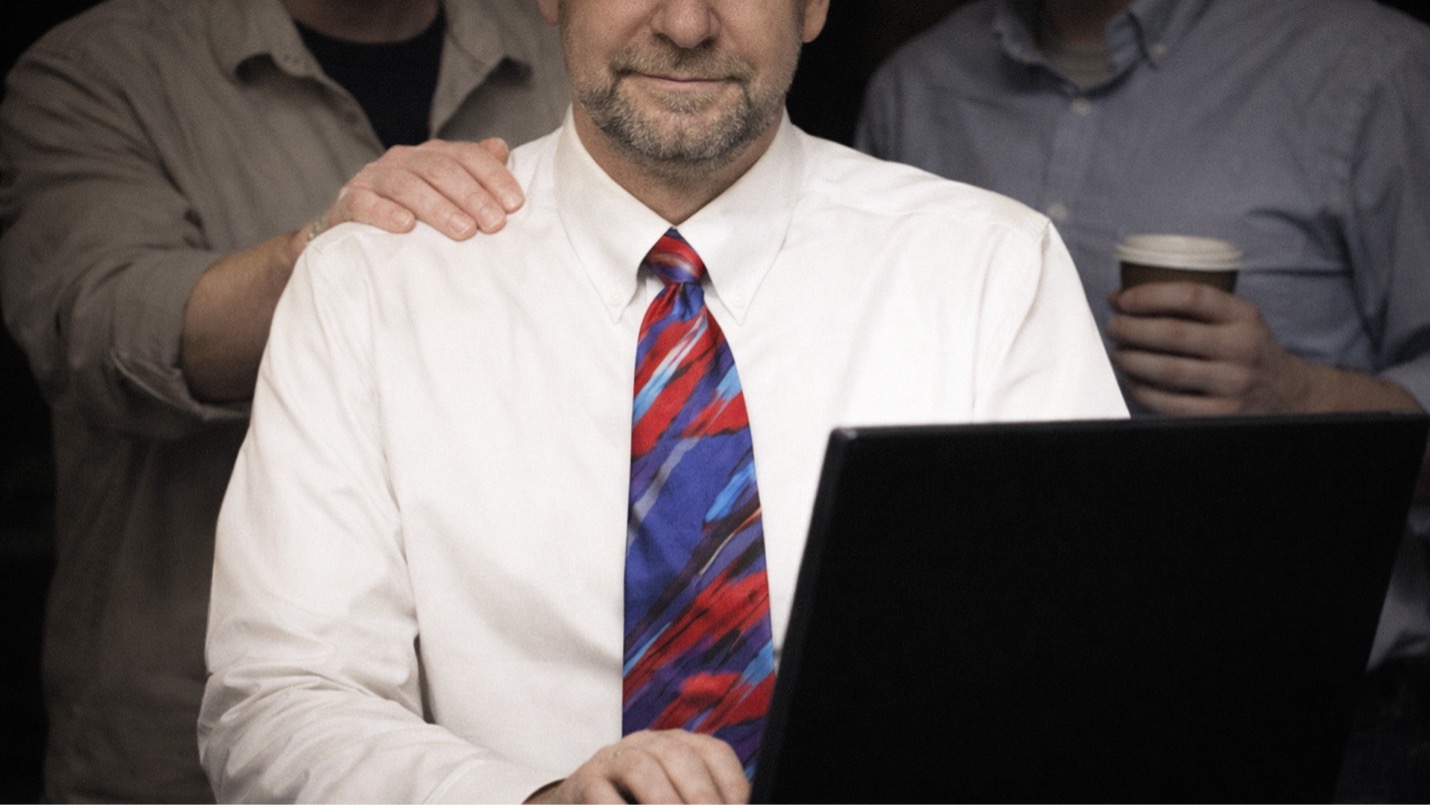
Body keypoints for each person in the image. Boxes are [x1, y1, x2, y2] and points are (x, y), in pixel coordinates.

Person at [196, 0, 1129, 801]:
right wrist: (536, 801)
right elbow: (281, 698)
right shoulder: (372, 285)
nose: (685, 24)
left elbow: (1088, 671)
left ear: (813, 4)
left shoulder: (993, 275)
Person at [855, 0, 1430, 800]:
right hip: (990, 714)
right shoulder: (915, 90)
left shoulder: (1374, 68)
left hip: (1318, 727)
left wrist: (1293, 391)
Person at [0, 0, 568, 800]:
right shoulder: (98, 69)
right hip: (189, 753)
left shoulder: (565, 38)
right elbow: (102, 327)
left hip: (520, 755)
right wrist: (334, 249)